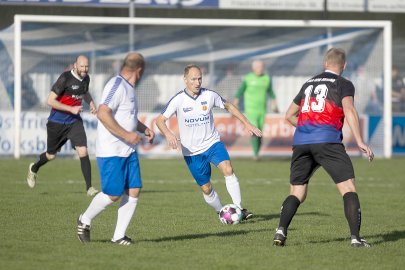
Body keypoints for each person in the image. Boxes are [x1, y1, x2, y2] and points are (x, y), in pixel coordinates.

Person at [272, 48, 374, 248]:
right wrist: (360, 140)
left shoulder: (308, 83)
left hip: (301, 142)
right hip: (328, 141)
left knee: (297, 192)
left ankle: (280, 231)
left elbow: (289, 115)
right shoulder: (343, 84)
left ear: (325, 64)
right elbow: (350, 110)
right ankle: (355, 239)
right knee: (348, 188)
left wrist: (306, 129)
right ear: (343, 66)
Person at [156, 64, 262, 220]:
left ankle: (239, 209)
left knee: (228, 169)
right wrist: (168, 134)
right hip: (192, 152)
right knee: (206, 188)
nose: (197, 82)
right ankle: (221, 211)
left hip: (212, 144)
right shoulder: (178, 100)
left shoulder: (209, 95)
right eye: (193, 79)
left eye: (200, 78)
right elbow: (160, 120)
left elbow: (229, 106)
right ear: (185, 80)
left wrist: (247, 123)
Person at [77, 52, 154, 245]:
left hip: (128, 150)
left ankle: (118, 236)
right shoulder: (117, 84)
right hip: (111, 151)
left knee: (134, 189)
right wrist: (127, 135)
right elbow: (103, 113)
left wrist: (144, 129)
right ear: (140, 70)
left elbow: (127, 118)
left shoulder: (129, 88)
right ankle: (84, 219)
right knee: (113, 193)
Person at [26, 55, 99, 196]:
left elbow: (85, 92)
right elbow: (50, 101)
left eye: (86, 66)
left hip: (74, 122)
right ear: (75, 65)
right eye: (82, 66)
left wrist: (91, 103)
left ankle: (89, 188)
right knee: (51, 155)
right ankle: (34, 168)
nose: (84, 69)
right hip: (57, 123)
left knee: (83, 151)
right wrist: (71, 109)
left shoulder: (86, 78)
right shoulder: (65, 78)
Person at [233, 60, 279, 160]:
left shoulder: (266, 78)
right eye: (258, 67)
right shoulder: (248, 78)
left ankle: (257, 152)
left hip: (262, 110)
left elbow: (271, 92)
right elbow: (240, 91)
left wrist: (274, 104)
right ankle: (255, 154)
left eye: (262, 66)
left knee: (260, 132)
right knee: (254, 130)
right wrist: (235, 102)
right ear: (253, 68)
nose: (260, 69)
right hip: (250, 110)